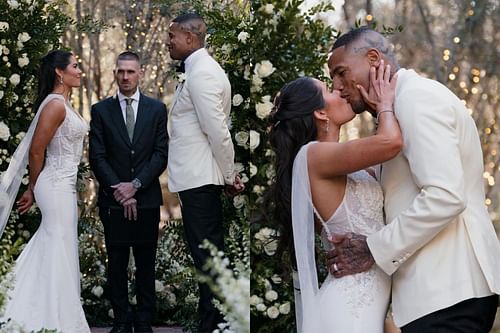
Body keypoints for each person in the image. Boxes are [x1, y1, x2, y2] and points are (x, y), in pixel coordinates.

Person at [326, 26, 500, 332]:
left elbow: (445, 196)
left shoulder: (416, 98)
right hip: (436, 295)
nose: (337, 86)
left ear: (373, 58)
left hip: (449, 291)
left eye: (341, 73)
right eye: (332, 79)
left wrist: (373, 248)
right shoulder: (393, 112)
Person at [269, 62, 400, 332]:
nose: (339, 91)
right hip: (348, 311)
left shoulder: (342, 161)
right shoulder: (313, 155)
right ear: (319, 112)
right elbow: (390, 142)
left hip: (366, 308)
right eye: (329, 89)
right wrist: (385, 102)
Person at [0, 50, 90, 332]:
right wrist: (36, 188)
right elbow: (37, 151)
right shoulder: (55, 105)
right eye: (75, 66)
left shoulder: (64, 103)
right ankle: (46, 316)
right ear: (59, 73)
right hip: (53, 186)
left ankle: (47, 311)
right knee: (56, 245)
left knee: (56, 246)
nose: (79, 71)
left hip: (63, 186)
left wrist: (32, 188)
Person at [166, 12, 244, 333]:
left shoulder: (202, 75)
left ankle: (214, 326)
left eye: (172, 36)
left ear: (190, 37)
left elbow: (218, 131)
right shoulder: (198, 71)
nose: (168, 42)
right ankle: (212, 323)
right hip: (195, 179)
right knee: (206, 258)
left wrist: (229, 175)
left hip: (201, 179)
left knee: (208, 259)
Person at [89, 51, 168, 333]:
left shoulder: (157, 110)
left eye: (130, 72)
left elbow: (160, 154)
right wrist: (120, 191)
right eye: (121, 72)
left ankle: (144, 320)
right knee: (117, 262)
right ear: (115, 74)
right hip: (112, 200)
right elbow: (97, 157)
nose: (125, 77)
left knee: (146, 261)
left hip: (146, 198)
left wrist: (134, 186)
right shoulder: (100, 111)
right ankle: (121, 319)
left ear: (140, 73)